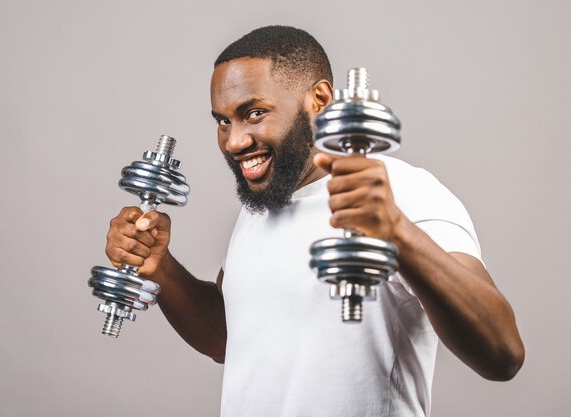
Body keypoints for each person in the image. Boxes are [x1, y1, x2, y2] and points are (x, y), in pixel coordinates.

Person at [104, 26, 524, 416]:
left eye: (253, 113)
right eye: (222, 120)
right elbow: (229, 339)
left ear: (319, 101)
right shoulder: (260, 207)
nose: (233, 141)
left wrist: (398, 232)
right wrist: (160, 267)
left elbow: (502, 354)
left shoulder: (403, 191)